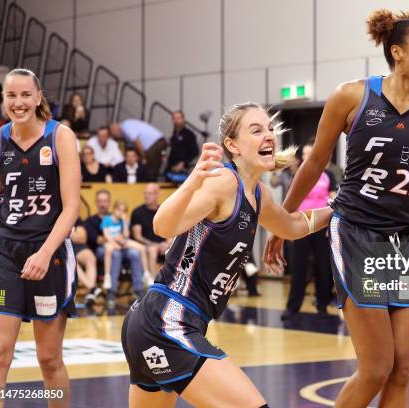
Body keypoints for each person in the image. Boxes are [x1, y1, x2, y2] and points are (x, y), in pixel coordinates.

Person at [264, 10, 409, 407]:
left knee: (402, 371)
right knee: (376, 367)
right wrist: (283, 220)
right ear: (398, 52)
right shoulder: (352, 96)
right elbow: (314, 162)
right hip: (358, 233)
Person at [121, 102, 333, 407]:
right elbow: (162, 225)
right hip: (169, 319)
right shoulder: (223, 182)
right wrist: (192, 181)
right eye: (256, 130)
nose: (269, 136)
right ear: (232, 145)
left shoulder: (260, 194)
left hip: (155, 321)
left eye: (270, 129)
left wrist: (339, 209)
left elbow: (292, 225)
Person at [0, 68, 80, 407]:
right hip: (4, 252)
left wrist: (44, 253)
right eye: (11, 95)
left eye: (25, 94)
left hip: (50, 251)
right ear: (3, 100)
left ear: (38, 97)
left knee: (49, 360)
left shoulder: (60, 137)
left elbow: (71, 208)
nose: (19, 102)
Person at [281, 142, 337, 320]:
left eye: (310, 153)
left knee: (323, 266)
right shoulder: (299, 174)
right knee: (299, 266)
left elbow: (333, 197)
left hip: (321, 225)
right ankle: (293, 307)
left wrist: (333, 224)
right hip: (301, 225)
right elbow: (291, 199)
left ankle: (322, 306)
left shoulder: (328, 175)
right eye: (304, 154)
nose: (307, 156)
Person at [102, 201, 147, 308]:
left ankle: (140, 285)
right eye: (119, 210)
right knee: (115, 254)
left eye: (123, 211)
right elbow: (106, 235)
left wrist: (125, 223)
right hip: (112, 245)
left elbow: (126, 236)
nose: (120, 213)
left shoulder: (122, 221)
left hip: (122, 244)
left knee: (136, 253)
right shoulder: (107, 219)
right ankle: (111, 289)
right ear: (114, 209)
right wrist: (114, 243)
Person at [131, 183, 172, 284]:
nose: (146, 196)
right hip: (147, 247)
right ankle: (153, 283)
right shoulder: (137, 212)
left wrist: (167, 244)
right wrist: (156, 245)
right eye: (145, 193)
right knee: (153, 250)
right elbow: (137, 236)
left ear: (157, 194)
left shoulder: (164, 211)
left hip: (164, 247)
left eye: (150, 193)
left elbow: (171, 231)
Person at [70, 218, 101, 306]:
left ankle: (90, 292)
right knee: (71, 261)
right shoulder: (53, 214)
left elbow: (82, 238)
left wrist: (66, 233)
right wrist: (73, 234)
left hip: (79, 247)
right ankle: (92, 288)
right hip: (62, 247)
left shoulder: (75, 217)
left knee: (90, 258)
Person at [166, 111, 199, 182]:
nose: (176, 121)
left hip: (182, 169)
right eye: (174, 118)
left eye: (178, 118)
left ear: (183, 119)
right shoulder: (174, 134)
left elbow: (195, 151)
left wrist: (183, 162)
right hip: (171, 167)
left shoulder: (189, 134)